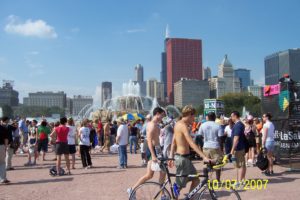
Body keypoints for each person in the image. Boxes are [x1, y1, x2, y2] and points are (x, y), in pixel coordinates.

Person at [169, 106, 209, 192]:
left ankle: (189, 197)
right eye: (194, 116)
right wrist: (203, 156)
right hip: (182, 159)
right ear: (189, 115)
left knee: (196, 180)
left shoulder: (178, 124)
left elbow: (173, 143)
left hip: (183, 158)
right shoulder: (183, 126)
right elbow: (191, 143)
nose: (194, 119)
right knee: (178, 188)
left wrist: (171, 156)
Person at [127, 107, 166, 197]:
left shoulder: (155, 124)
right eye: (162, 115)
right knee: (161, 173)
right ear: (157, 114)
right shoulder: (152, 125)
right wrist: (153, 155)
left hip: (157, 149)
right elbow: (149, 141)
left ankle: (132, 189)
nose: (162, 117)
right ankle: (163, 196)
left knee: (150, 175)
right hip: (154, 150)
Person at [198, 112, 223, 182]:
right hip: (215, 146)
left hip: (206, 146)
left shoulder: (203, 125)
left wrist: (203, 142)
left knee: (206, 163)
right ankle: (218, 180)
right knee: (217, 164)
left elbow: (199, 136)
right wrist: (221, 149)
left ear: (207, 117)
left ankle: (205, 179)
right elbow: (221, 138)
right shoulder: (218, 126)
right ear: (215, 118)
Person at [230, 111, 247, 184]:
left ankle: (240, 181)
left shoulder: (238, 125)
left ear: (235, 116)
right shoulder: (240, 125)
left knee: (240, 165)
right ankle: (242, 180)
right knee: (242, 164)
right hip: (240, 147)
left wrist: (232, 150)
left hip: (238, 148)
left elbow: (236, 138)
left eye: (231, 116)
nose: (231, 118)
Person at [0, 116, 10, 184]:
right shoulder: (3, 128)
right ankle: (3, 178)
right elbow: (6, 139)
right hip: (1, 146)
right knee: (2, 163)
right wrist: (6, 147)